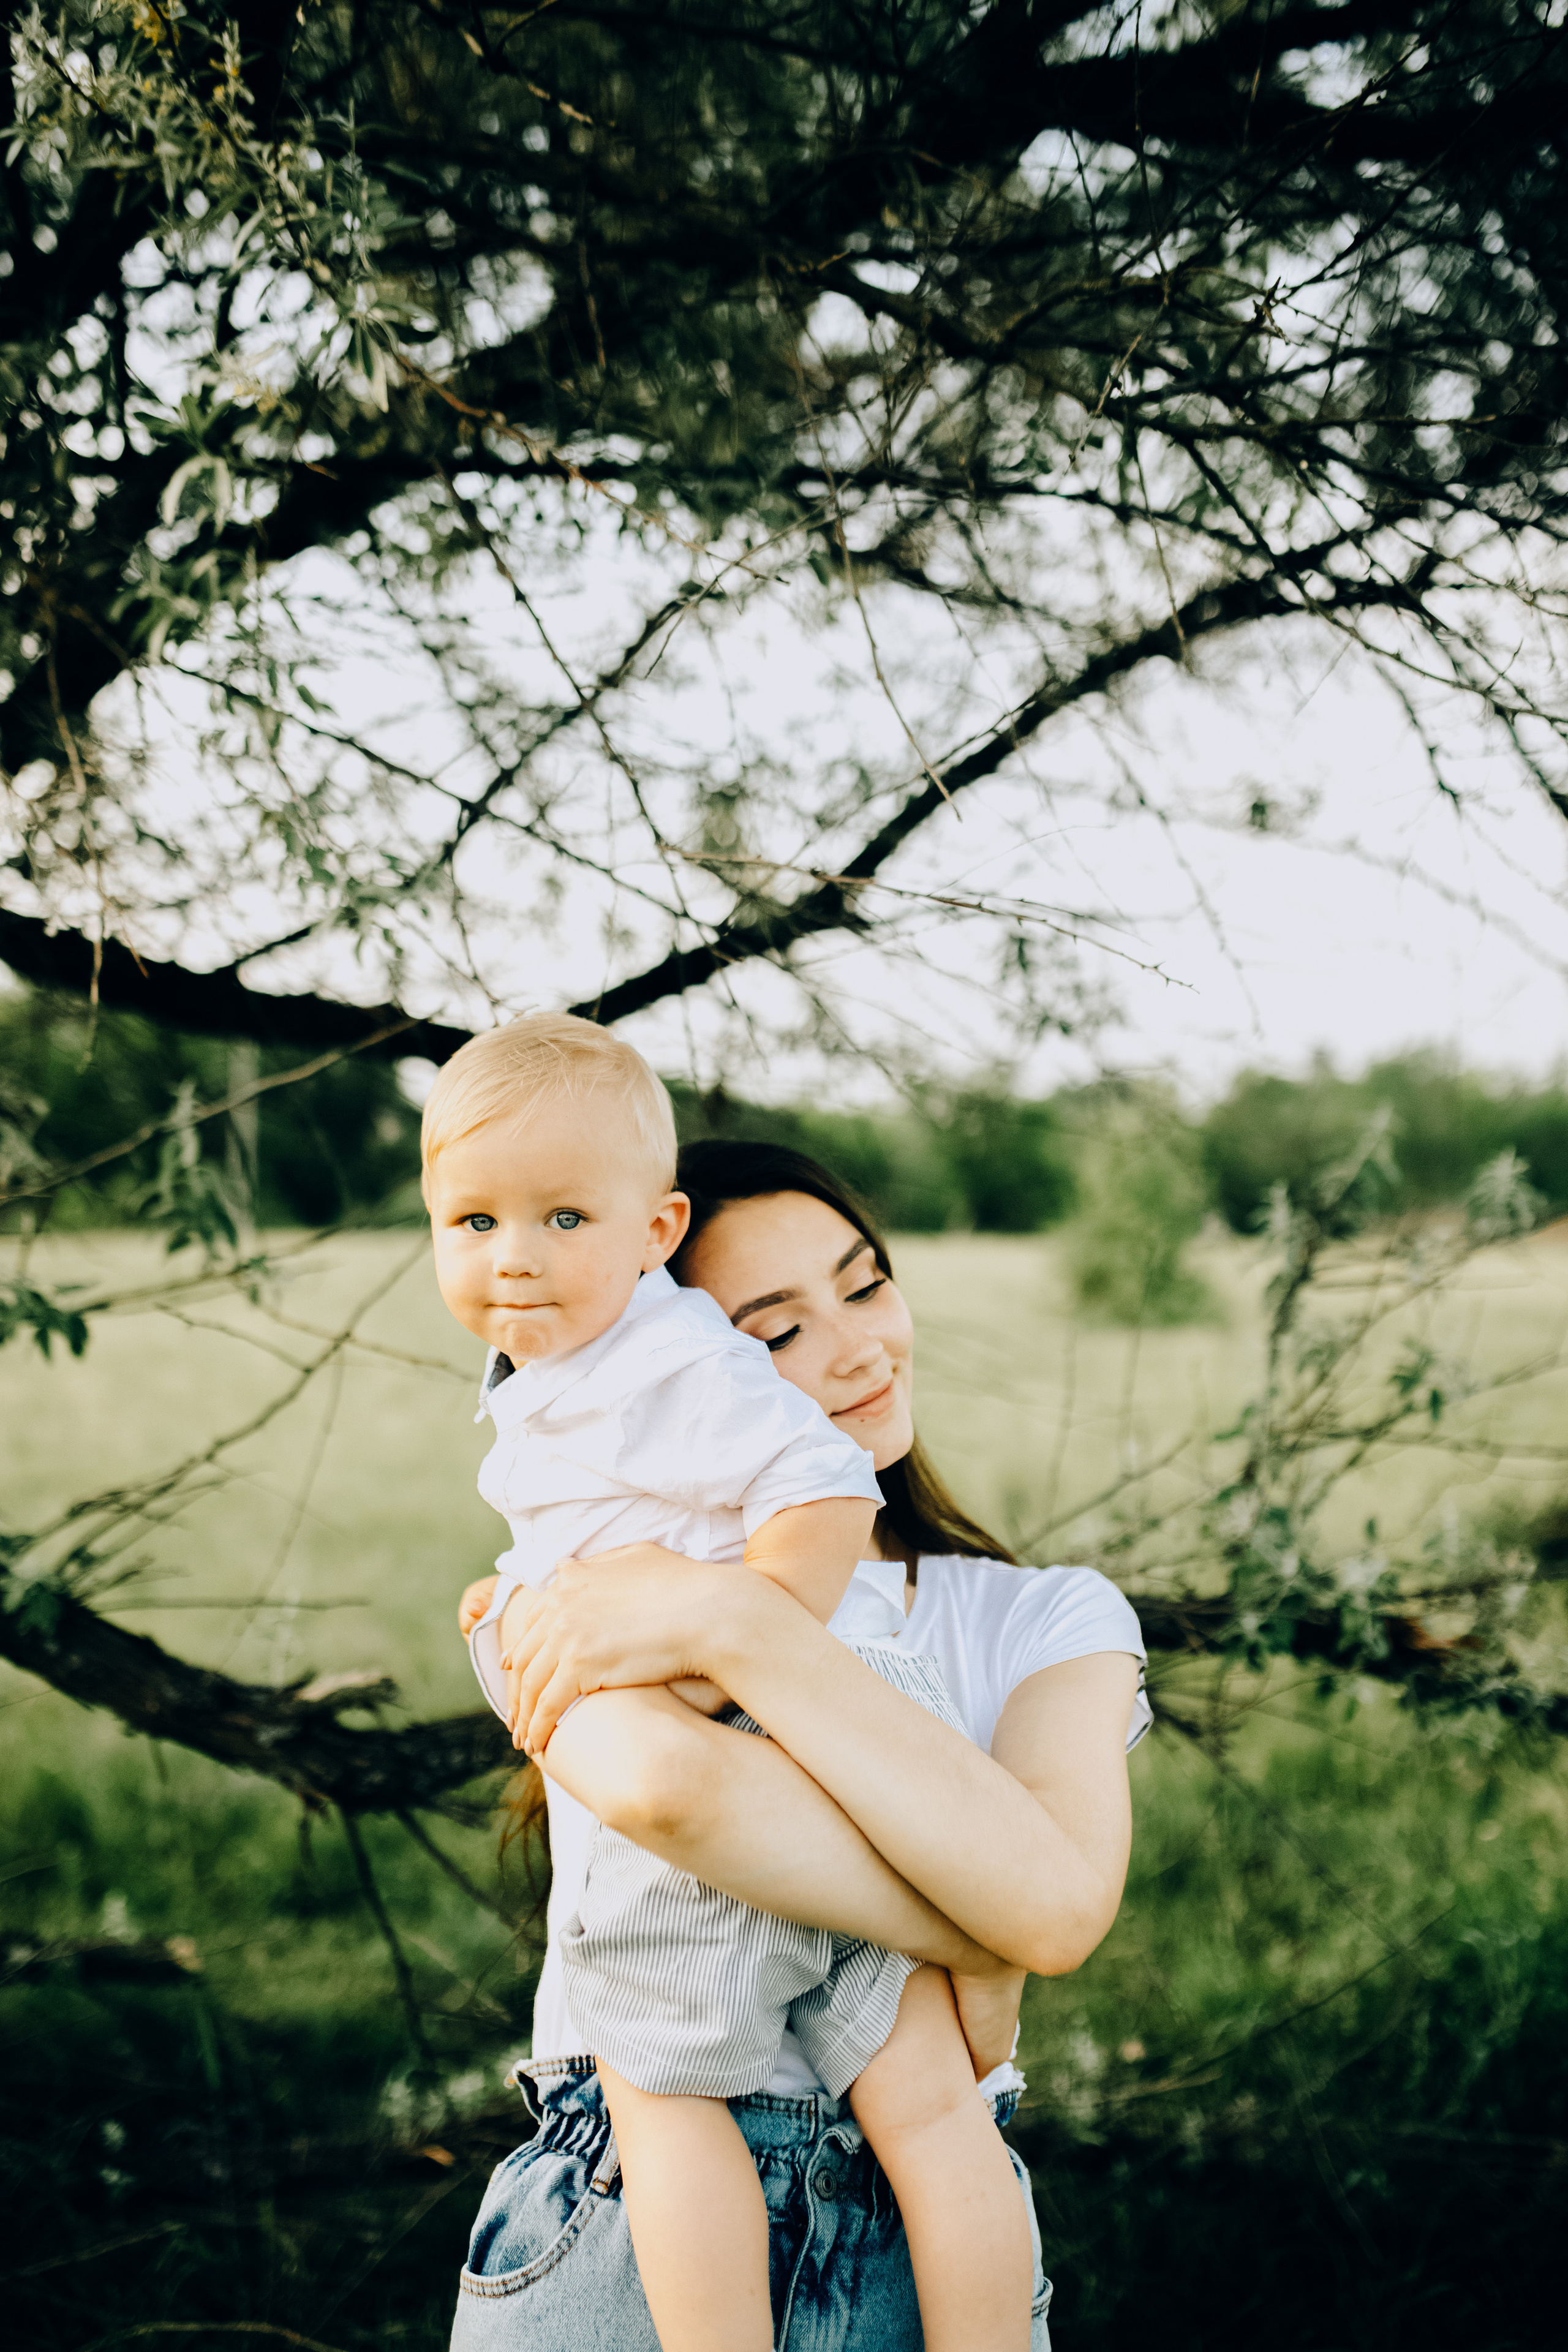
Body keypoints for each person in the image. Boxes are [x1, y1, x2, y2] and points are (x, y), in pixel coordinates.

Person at [450, 1136, 1152, 2352]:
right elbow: (670, 1785)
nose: (856, 1347)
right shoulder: (564, 1596)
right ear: (652, 1369)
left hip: (924, 2239)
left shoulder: (1044, 1616)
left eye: (865, 1283)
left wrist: (731, 1618)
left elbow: (1059, 1910)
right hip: (633, 2224)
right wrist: (975, 1941)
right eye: (771, 1335)